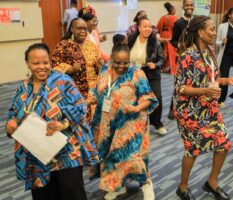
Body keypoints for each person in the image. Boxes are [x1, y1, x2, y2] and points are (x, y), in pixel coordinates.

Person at [5, 43, 99, 200]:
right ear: (27, 63)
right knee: (44, 195)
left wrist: (63, 124)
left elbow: (80, 108)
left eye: (45, 62)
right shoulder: (24, 88)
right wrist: (11, 125)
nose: (42, 67)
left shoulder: (63, 81)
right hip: (37, 153)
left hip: (66, 151)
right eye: (36, 63)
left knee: (72, 193)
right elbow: (13, 114)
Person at [174, 15, 233, 200]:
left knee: (224, 143)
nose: (214, 33)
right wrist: (205, 90)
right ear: (200, 32)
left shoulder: (209, 52)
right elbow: (180, 88)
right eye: (211, 29)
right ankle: (182, 187)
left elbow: (211, 79)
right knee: (193, 149)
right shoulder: (187, 56)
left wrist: (228, 80)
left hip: (209, 108)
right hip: (189, 110)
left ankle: (211, 183)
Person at [90, 44, 158, 200]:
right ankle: (117, 186)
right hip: (107, 122)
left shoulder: (136, 73)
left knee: (133, 157)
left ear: (130, 60)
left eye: (125, 62)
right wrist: (93, 95)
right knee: (112, 156)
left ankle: (146, 184)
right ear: (111, 58)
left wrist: (137, 108)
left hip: (130, 123)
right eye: (117, 62)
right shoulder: (105, 69)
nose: (121, 66)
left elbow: (149, 97)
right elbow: (98, 88)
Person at [52, 18, 103, 123]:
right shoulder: (63, 46)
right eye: (79, 28)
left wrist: (101, 64)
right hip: (74, 93)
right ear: (72, 29)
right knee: (79, 122)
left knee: (95, 123)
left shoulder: (91, 45)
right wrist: (70, 69)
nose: (83, 31)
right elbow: (54, 67)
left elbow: (98, 64)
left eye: (84, 28)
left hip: (93, 91)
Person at [128, 16, 167, 135]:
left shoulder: (155, 42)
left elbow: (162, 59)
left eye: (150, 27)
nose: (148, 29)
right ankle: (142, 123)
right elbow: (125, 53)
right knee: (138, 99)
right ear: (139, 28)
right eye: (145, 27)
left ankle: (157, 123)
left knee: (157, 97)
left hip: (151, 73)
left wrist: (155, 65)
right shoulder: (131, 39)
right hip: (135, 73)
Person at [168, 0, 195, 120]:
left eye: (191, 5)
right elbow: (173, 40)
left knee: (194, 83)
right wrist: (180, 45)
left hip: (196, 58)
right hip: (183, 57)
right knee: (179, 83)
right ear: (183, 7)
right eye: (187, 5)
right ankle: (172, 108)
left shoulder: (197, 21)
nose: (189, 7)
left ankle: (190, 108)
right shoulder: (178, 23)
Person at [156, 2, 178, 74]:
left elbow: (157, 28)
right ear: (171, 9)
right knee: (171, 53)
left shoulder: (163, 17)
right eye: (175, 9)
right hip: (171, 36)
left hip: (163, 35)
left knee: (164, 52)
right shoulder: (174, 18)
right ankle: (170, 68)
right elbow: (177, 28)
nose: (175, 11)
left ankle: (164, 67)